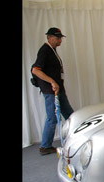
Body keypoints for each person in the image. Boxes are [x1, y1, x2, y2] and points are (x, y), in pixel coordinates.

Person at [31, 27, 74, 155]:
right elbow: (36, 70)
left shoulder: (52, 50)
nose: (60, 40)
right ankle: (45, 146)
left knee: (70, 115)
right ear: (49, 38)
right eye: (57, 37)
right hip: (51, 91)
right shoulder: (45, 50)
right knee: (52, 118)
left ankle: (76, 137)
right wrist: (52, 82)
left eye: (60, 37)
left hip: (58, 89)